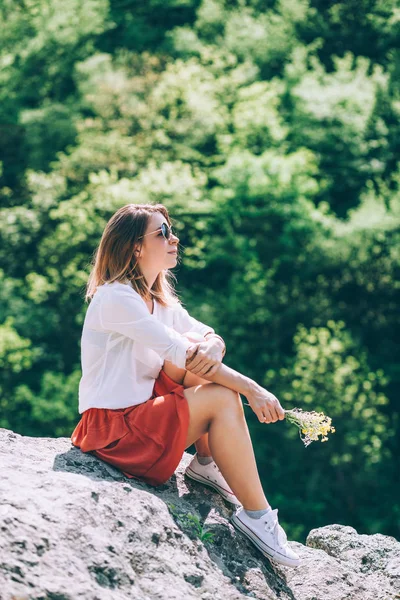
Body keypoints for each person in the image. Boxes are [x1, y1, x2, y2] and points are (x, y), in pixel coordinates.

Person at [71, 203, 300, 568]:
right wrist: (253, 390)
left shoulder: (157, 298)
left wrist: (213, 343)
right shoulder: (116, 298)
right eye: (162, 233)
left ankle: (206, 465)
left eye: (170, 229)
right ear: (135, 247)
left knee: (200, 373)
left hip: (140, 413)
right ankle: (257, 517)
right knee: (221, 397)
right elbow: (185, 351)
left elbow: (204, 338)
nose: (173, 238)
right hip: (114, 432)